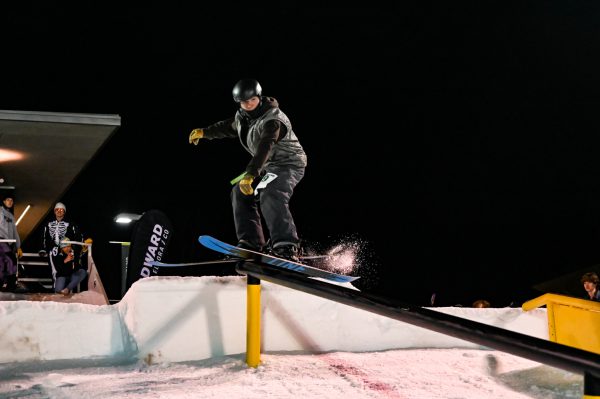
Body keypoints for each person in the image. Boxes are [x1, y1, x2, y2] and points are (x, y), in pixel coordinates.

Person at [189, 79, 307, 261]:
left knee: (271, 193)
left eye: (252, 100)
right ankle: (251, 243)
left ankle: (287, 246)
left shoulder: (273, 120)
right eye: (244, 102)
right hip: (267, 165)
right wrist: (205, 132)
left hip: (288, 164)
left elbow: (265, 146)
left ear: (259, 97)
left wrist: (251, 174)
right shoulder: (243, 116)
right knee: (239, 192)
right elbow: (229, 127)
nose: (248, 105)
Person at [0, 193, 22, 292]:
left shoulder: (11, 216)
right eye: (8, 200)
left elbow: (15, 232)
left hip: (8, 243)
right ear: (4, 201)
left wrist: (18, 246)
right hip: (1, 241)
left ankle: (6, 285)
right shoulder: (0, 211)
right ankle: (11, 285)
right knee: (11, 260)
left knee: (5, 263)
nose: (10, 202)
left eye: (12, 200)